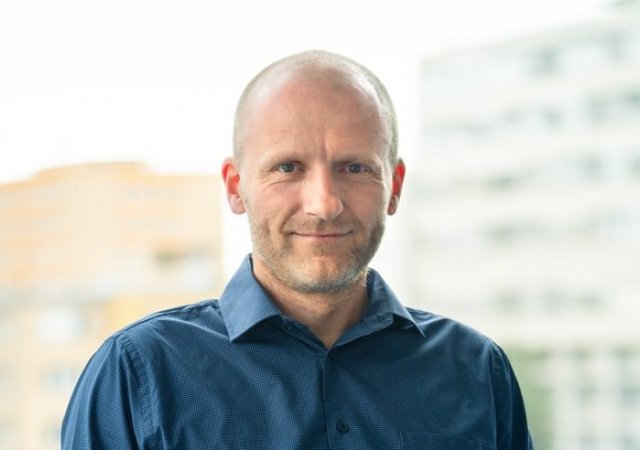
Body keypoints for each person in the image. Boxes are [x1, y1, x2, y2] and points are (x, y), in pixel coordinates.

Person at [62, 50, 534, 449]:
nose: (324, 204)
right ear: (236, 186)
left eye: (354, 168)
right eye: (288, 167)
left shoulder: (477, 370)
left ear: (394, 186)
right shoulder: (138, 373)